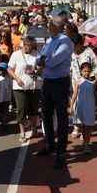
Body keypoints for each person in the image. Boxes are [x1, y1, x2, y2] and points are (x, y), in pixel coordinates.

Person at [35, 19, 74, 170]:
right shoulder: (50, 40)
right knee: (46, 114)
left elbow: (52, 62)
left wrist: (45, 60)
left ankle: (61, 153)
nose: (48, 28)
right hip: (48, 81)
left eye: (50, 25)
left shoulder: (65, 42)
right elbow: (40, 57)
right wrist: (45, 59)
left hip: (60, 82)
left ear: (55, 27)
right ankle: (50, 144)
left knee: (62, 117)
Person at [8, 35, 41, 142]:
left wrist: (36, 71)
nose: (30, 48)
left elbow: (40, 68)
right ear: (25, 45)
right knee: (21, 109)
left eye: (32, 46)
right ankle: (22, 132)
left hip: (34, 86)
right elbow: (10, 69)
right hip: (19, 87)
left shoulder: (36, 55)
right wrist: (17, 79)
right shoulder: (16, 54)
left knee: (33, 110)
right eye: (28, 46)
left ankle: (34, 129)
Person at [69, 33, 97, 140]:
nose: (73, 47)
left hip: (87, 84)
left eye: (75, 45)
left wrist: (91, 77)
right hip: (75, 83)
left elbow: (95, 66)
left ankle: (84, 130)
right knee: (76, 104)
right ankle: (77, 126)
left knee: (86, 106)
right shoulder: (70, 53)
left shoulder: (88, 52)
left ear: (80, 44)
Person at [68, 61, 97, 154]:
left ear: (91, 71)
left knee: (88, 127)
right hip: (80, 108)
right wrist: (71, 107)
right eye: (84, 71)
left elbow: (96, 94)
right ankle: (84, 142)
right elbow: (74, 95)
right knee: (82, 126)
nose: (87, 73)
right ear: (81, 71)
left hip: (90, 107)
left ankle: (86, 144)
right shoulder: (78, 82)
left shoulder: (93, 82)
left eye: (88, 71)